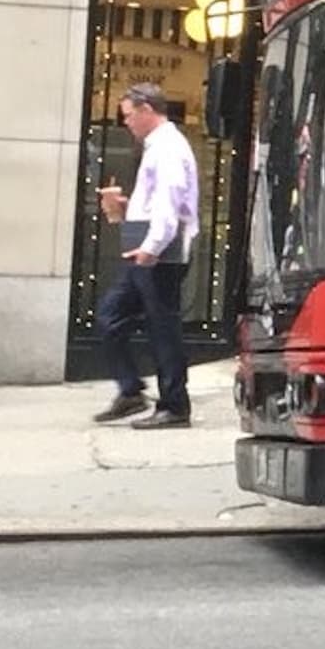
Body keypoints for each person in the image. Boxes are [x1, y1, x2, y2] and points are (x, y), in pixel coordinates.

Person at [91, 83, 200, 430]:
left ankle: (174, 404)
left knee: (161, 325)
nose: (126, 123)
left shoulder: (167, 148)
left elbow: (170, 203)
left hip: (161, 246)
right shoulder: (159, 146)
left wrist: (151, 247)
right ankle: (131, 390)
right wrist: (128, 209)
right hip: (149, 239)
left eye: (128, 115)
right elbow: (161, 202)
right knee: (112, 315)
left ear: (146, 110)